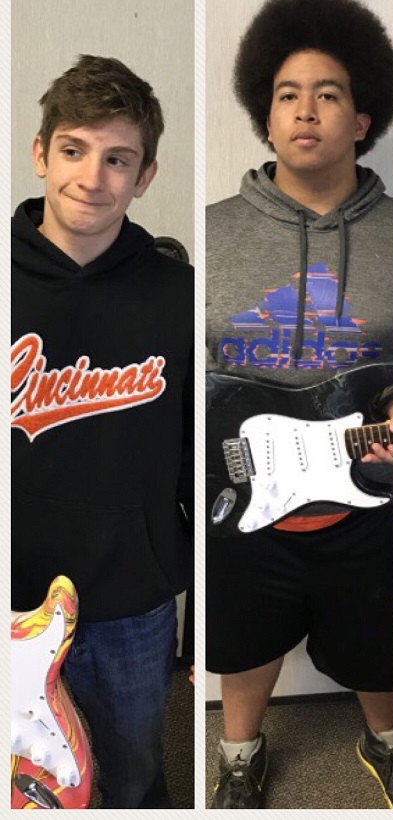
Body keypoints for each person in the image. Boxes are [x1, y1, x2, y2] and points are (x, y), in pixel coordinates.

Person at [205, 0, 393, 809]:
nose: (306, 110)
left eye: (329, 93)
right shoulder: (211, 231)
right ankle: (239, 753)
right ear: (265, 115)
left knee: (377, 639)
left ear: (362, 120)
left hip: (365, 493)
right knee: (243, 639)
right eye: (288, 94)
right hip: (241, 493)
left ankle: (389, 741)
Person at [11, 55, 194, 808]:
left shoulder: (179, 294)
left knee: (130, 777)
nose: (93, 177)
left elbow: (198, 459)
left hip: (131, 601)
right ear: (40, 153)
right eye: (74, 150)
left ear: (145, 174)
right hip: (10, 593)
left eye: (117, 159)